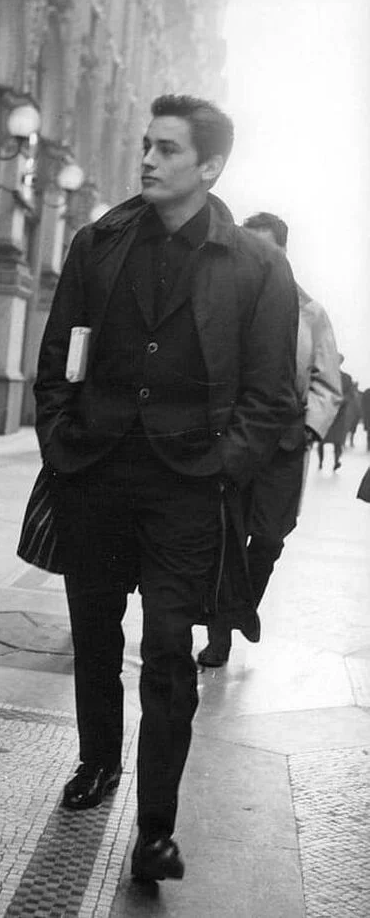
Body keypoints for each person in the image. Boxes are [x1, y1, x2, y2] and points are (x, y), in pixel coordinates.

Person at [23, 95, 299, 883]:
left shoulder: (255, 264)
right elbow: (57, 362)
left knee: (170, 653)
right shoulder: (98, 242)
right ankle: (97, 761)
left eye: (167, 149)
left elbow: (272, 394)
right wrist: (61, 441)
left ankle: (155, 829)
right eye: (146, 145)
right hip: (97, 474)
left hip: (189, 488)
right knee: (96, 636)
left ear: (209, 166)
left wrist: (222, 467)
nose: (147, 158)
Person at [198, 212, 342, 666]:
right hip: (236, 436)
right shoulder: (226, 300)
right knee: (226, 536)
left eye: (266, 249)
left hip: (284, 441)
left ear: (281, 253)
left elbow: (327, 383)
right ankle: (220, 634)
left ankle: (243, 607)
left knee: (270, 539)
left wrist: (309, 429)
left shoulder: (311, 312)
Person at [316, 359, 352, 471]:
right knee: (321, 440)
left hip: (340, 414)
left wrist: (343, 400)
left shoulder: (346, 378)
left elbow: (350, 394)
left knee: (337, 441)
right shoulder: (325, 376)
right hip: (326, 413)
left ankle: (336, 462)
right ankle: (320, 462)